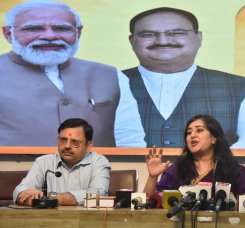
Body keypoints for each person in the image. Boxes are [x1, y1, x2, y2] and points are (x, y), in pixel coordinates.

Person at [122, 7, 245, 149]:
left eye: (176, 33)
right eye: (148, 34)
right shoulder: (106, 85)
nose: (163, 41)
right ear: (131, 41)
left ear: (199, 38)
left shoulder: (241, 88)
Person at [0, 0, 145, 147]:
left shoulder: (109, 75)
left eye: (62, 28)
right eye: (34, 28)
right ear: (8, 34)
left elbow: (129, 140)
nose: (50, 36)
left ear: (78, 32)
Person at [143, 114, 245, 198]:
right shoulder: (176, 170)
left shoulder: (233, 170)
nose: (192, 135)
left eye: (199, 130)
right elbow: (150, 203)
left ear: (213, 138)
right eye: (189, 133)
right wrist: (152, 177)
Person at [13, 118, 110, 206]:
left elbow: (99, 193)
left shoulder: (99, 162)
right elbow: (21, 192)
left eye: (75, 142)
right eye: (63, 140)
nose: (67, 146)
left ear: (88, 145)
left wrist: (48, 198)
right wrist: (27, 196)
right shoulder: (43, 162)